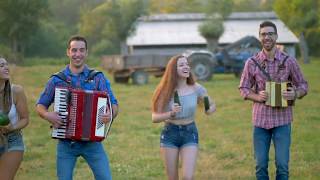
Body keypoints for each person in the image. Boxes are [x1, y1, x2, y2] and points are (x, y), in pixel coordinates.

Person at [36, 35, 118, 180]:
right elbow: (40, 106)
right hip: (66, 144)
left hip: (92, 143)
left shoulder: (97, 77)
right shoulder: (57, 80)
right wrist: (47, 115)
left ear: (86, 52)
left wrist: (109, 114)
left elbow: (114, 105)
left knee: (105, 178)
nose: (77, 54)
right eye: (74, 50)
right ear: (68, 52)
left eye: (81, 50)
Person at [239, 21, 308, 180]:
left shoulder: (289, 61)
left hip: (282, 121)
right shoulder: (251, 62)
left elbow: (303, 85)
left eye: (270, 34)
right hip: (260, 121)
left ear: (276, 36)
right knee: (260, 165)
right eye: (263, 34)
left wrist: (295, 94)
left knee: (282, 166)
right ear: (260, 37)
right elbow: (243, 88)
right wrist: (257, 96)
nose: (267, 37)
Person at [151, 55, 216, 180]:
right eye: (181, 65)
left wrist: (209, 109)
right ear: (173, 70)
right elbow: (154, 117)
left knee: (188, 177)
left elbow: (211, 105)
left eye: (187, 64)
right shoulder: (165, 91)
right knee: (173, 178)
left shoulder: (197, 88)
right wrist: (171, 113)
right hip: (170, 133)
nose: (186, 66)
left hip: (190, 132)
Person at [0, 57, 29, 180]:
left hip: (12, 141)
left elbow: (25, 119)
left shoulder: (16, 91)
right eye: (1, 65)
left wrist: (11, 127)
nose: (6, 67)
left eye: (6, 64)